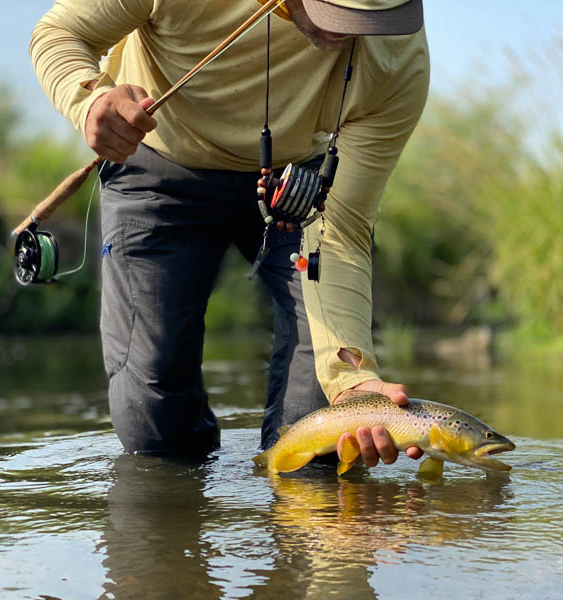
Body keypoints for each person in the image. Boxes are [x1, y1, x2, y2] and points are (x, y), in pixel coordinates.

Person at [30, 0, 430, 467]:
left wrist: (351, 380)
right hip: (158, 162)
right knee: (153, 429)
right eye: (338, 9)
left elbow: (339, 232)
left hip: (299, 186)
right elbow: (58, 34)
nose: (354, 31)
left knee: (324, 437)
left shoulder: (398, 59)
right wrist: (91, 100)